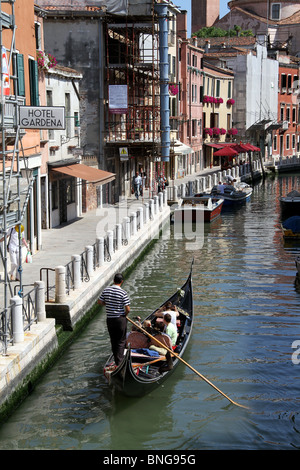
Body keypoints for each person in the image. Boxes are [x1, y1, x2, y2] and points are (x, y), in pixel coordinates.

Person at [98, 273, 130, 366]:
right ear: (122, 282)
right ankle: (120, 363)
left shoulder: (106, 290)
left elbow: (99, 301)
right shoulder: (123, 292)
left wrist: (107, 304)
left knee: (113, 340)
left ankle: (117, 360)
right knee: (121, 341)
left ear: (113, 281)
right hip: (120, 319)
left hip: (110, 319)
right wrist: (124, 315)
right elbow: (128, 309)